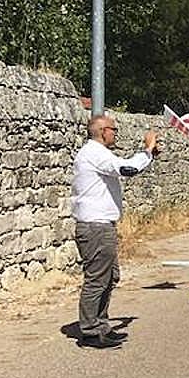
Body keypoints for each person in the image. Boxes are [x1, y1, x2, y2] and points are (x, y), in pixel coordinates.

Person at [71, 116, 160, 348]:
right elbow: (127, 168)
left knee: (110, 277)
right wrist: (148, 149)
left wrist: (148, 155)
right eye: (113, 129)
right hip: (96, 226)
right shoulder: (94, 153)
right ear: (103, 131)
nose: (115, 134)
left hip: (101, 226)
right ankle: (91, 331)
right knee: (97, 278)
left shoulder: (98, 153)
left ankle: (101, 325)